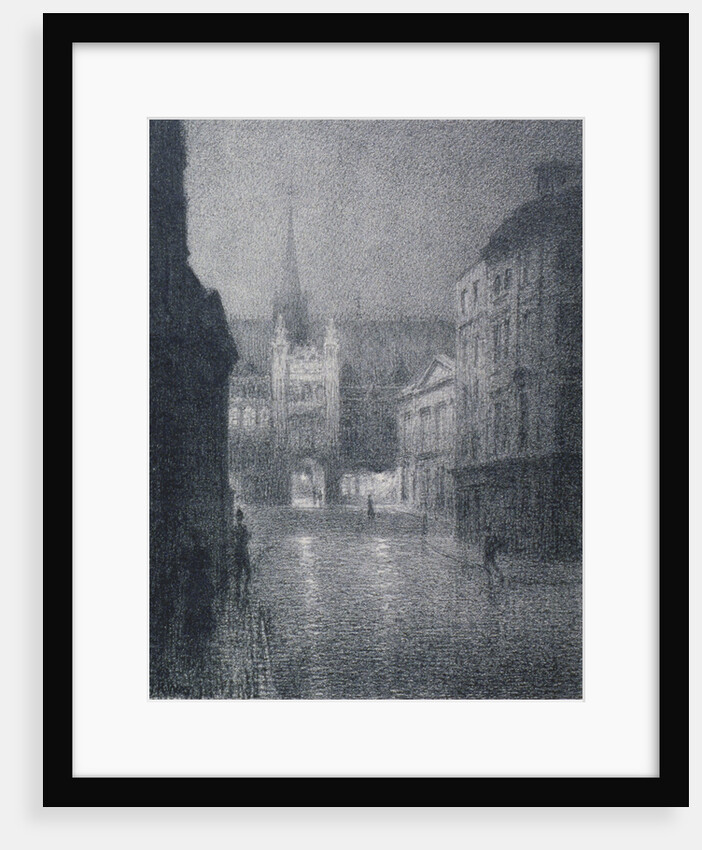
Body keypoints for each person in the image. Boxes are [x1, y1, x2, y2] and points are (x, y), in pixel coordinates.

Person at [232, 508, 252, 602]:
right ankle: (238, 589)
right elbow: (235, 539)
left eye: (240, 517)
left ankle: (244, 588)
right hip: (239, 551)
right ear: (236, 518)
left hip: (243, 551)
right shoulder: (235, 528)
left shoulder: (243, 527)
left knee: (248, 571)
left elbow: (247, 537)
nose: (239, 518)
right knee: (239, 572)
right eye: (238, 517)